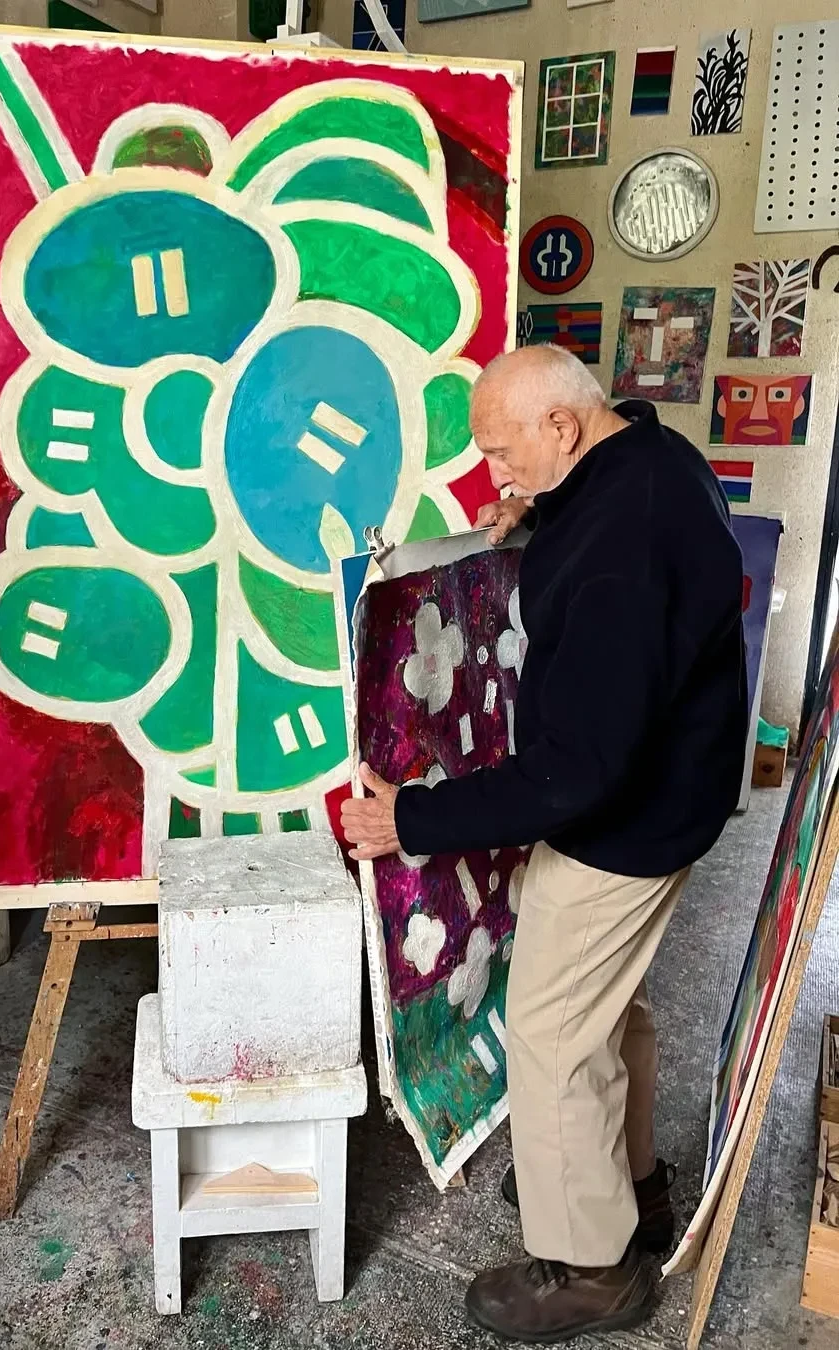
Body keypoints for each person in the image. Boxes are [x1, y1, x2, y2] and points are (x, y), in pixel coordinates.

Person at [339, 344, 747, 1344]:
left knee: (551, 1032)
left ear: (564, 426)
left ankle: (594, 1269)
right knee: (605, 1005)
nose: (493, 472)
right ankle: (629, 1187)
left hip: (625, 820)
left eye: (501, 451)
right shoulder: (642, 452)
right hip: (674, 792)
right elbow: (598, 514)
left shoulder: (620, 547)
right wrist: (538, 508)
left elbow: (577, 772)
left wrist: (410, 820)